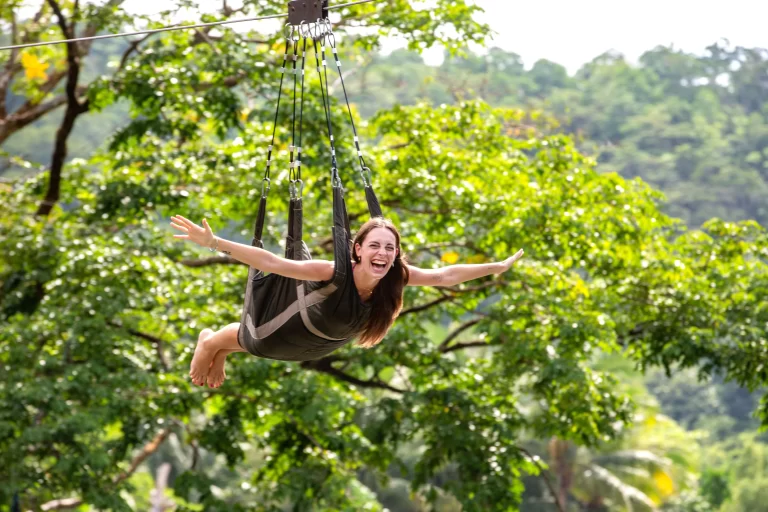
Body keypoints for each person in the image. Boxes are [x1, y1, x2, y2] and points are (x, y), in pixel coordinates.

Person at [170, 215, 524, 388]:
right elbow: (274, 263)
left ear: (396, 254)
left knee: (275, 345)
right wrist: (215, 242)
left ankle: (224, 349)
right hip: (285, 331)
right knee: (264, 337)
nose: (382, 253)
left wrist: (495, 267)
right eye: (374, 245)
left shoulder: (395, 278)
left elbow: (444, 276)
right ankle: (212, 342)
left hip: (316, 345)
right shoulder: (334, 271)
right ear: (357, 249)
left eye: (390, 248)